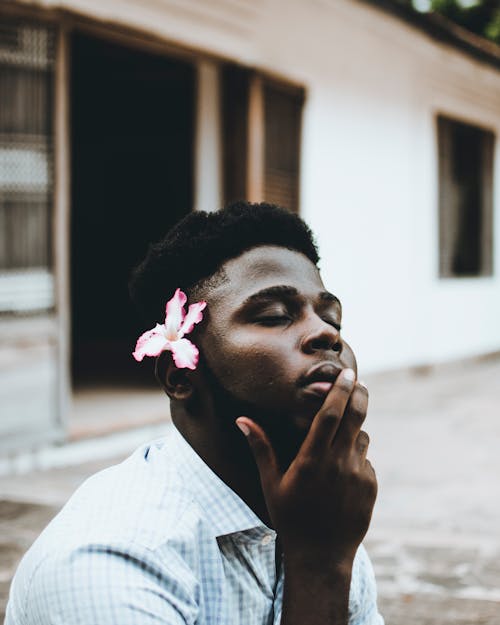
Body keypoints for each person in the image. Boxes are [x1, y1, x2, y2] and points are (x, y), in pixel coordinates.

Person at [6, 202, 383, 625]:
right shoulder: (108, 563)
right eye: (275, 316)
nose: (326, 333)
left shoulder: (322, 515)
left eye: (333, 319)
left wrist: (324, 551)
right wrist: (320, 567)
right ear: (179, 376)